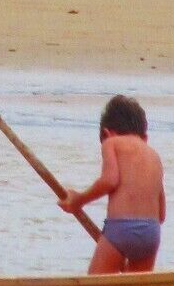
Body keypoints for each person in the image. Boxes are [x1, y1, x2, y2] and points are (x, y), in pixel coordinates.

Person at [60, 94, 166, 274]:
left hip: (121, 229)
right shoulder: (154, 156)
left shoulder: (112, 143)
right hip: (151, 233)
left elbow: (110, 180)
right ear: (145, 137)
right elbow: (161, 214)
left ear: (106, 133)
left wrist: (79, 200)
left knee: (95, 285)